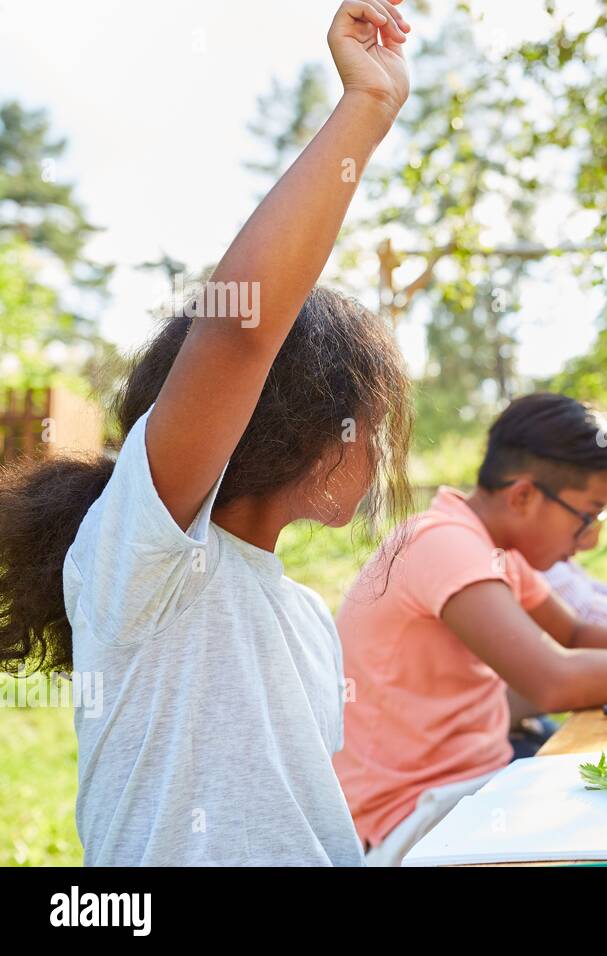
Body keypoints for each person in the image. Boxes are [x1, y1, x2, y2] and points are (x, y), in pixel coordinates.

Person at [0, 0, 415, 865]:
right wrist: (366, 107)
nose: (376, 456)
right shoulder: (151, 555)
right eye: (366, 429)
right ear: (300, 429)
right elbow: (243, 327)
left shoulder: (303, 616)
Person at [332, 393, 607, 865]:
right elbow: (552, 680)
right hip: (413, 818)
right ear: (523, 495)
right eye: (587, 514)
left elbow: (580, 634)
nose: (590, 534)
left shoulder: (490, 547)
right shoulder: (441, 543)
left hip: (479, 785)